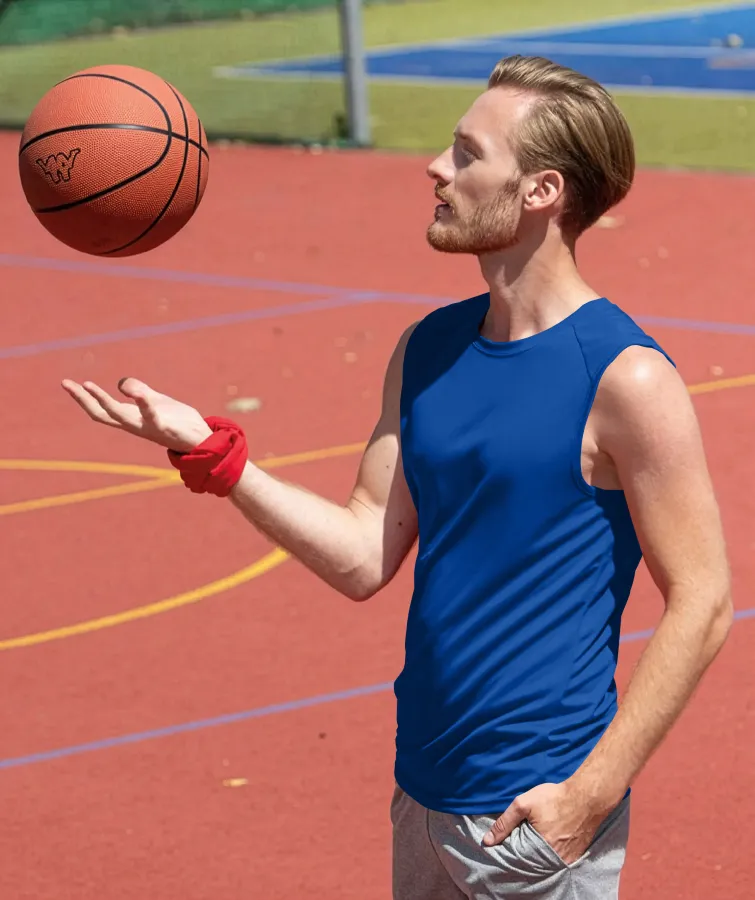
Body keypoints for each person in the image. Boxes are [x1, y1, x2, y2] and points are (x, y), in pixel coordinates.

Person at [62, 55, 732, 900]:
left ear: (540, 191)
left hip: (534, 811)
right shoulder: (427, 350)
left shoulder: (624, 377)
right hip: (421, 791)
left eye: (467, 153)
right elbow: (361, 553)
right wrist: (216, 458)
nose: (434, 168)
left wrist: (587, 796)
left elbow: (703, 600)